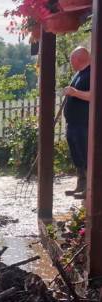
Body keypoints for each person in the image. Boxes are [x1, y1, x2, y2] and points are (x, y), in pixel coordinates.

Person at [63, 46, 91, 199]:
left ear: (78, 59)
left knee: (85, 155)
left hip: (83, 124)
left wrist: (74, 92)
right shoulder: (79, 74)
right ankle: (80, 184)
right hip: (73, 124)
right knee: (77, 156)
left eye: (71, 60)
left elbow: (93, 95)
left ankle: (88, 189)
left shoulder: (92, 73)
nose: (71, 62)